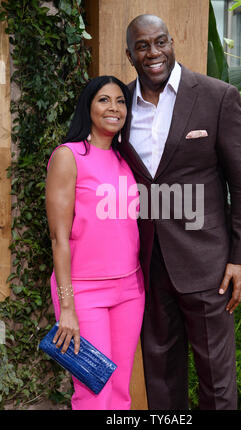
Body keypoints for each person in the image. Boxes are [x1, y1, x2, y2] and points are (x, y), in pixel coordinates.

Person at [118, 14, 241, 410]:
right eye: (143, 46)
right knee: (160, 372)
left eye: (160, 42)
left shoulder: (217, 96)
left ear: (172, 41)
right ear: (130, 55)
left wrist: (240, 258)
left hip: (208, 263)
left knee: (215, 377)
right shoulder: (121, 105)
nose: (154, 53)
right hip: (148, 262)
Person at [45, 75, 145, 410]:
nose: (114, 108)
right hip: (84, 294)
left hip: (130, 290)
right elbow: (59, 239)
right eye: (104, 100)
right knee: (93, 392)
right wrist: (68, 307)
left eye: (120, 101)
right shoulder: (69, 156)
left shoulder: (126, 160)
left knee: (120, 392)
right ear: (88, 106)